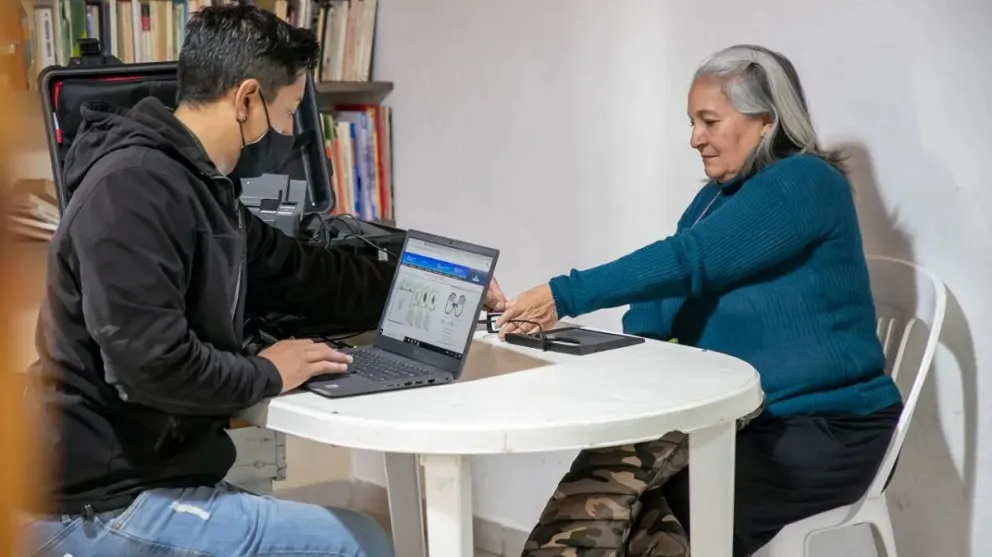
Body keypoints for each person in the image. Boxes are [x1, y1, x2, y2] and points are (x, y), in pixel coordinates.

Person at [21, 5, 505, 557]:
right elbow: (149, 366)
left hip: (147, 475)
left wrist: (425, 287)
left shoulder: (201, 187)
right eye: (290, 112)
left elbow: (300, 272)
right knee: (359, 544)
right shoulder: (132, 192)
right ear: (247, 99)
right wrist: (268, 373)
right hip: (94, 502)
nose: (290, 134)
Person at [499, 44, 903, 557]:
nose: (695, 138)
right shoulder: (716, 197)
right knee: (594, 486)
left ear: (767, 121)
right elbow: (664, 294)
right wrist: (630, 362)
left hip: (824, 427)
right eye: (693, 122)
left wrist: (563, 295)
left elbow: (689, 261)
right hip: (730, 414)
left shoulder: (805, 182)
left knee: (670, 511)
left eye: (709, 121)